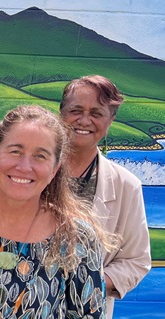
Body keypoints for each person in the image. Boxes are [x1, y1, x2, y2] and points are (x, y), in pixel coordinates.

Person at [0, 105, 115, 318]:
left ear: (54, 170)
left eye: (40, 156)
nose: (24, 166)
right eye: (15, 151)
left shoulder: (76, 238)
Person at [59, 75, 151, 318]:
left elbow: (136, 261)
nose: (84, 120)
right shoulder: (30, 173)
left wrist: (89, 284)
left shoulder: (126, 186)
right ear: (61, 114)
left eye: (97, 113)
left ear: (110, 121)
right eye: (75, 110)